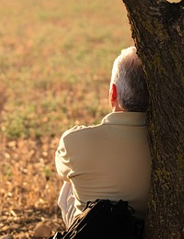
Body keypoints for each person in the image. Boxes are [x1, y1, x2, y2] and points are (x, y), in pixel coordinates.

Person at [55, 46, 151, 228]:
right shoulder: (169, 145)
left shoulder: (74, 141)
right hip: (143, 238)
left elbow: (61, 172)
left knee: (69, 182)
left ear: (113, 92)